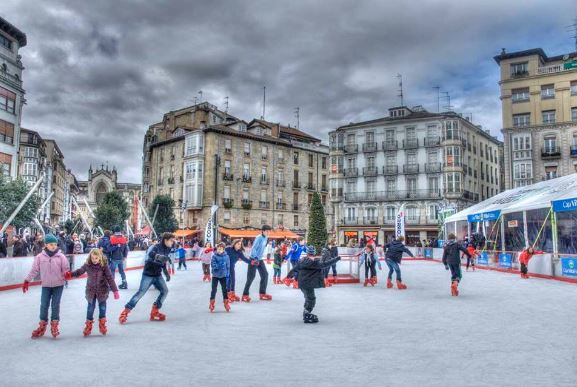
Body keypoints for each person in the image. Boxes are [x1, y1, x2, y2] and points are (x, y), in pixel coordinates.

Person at [119, 232, 173, 324]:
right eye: (171, 240)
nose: (172, 242)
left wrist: (166, 272)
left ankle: (155, 310)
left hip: (157, 275)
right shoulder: (155, 247)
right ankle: (125, 312)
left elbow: (163, 262)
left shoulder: (168, 249)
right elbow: (150, 257)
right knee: (140, 293)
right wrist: (158, 257)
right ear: (166, 240)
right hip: (148, 274)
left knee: (165, 291)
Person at [22, 234, 70, 338]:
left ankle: (54, 325)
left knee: (55, 305)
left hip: (58, 285)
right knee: (44, 305)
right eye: (51, 244)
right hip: (46, 285)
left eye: (55, 244)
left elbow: (66, 268)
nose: (53, 246)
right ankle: (42, 325)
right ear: (46, 245)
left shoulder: (61, 256)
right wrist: (27, 280)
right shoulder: (40, 257)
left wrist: (66, 274)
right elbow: (34, 270)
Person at [66, 248, 119, 336]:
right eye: (93, 258)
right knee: (90, 308)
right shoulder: (87, 265)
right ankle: (88, 326)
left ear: (100, 258)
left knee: (102, 308)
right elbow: (80, 271)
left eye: (96, 258)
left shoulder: (104, 266)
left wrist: (115, 290)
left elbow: (110, 278)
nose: (94, 260)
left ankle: (102, 324)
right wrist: (71, 274)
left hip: (102, 290)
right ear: (90, 257)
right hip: (91, 291)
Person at [285, 245, 341, 323]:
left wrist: (288, 276)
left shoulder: (302, 260)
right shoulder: (315, 263)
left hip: (302, 283)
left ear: (307, 253)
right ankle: (307, 313)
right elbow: (326, 264)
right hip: (308, 284)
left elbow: (295, 269)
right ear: (314, 253)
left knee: (308, 298)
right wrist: (337, 258)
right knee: (311, 299)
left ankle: (306, 311)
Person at [241, 225, 273, 302]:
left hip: (259, 259)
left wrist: (259, 257)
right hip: (253, 259)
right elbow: (254, 248)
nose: (268, 232)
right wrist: (255, 258)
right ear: (263, 231)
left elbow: (261, 248)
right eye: (267, 231)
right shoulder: (259, 237)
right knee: (251, 277)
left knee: (265, 274)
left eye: (269, 231)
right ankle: (245, 295)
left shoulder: (266, 238)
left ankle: (262, 294)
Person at [209, 242, 231, 313]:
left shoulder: (227, 257)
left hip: (223, 276)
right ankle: (212, 303)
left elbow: (228, 266)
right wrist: (218, 266)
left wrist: (227, 274)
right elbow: (212, 264)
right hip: (215, 275)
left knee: (224, 290)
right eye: (218, 249)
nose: (219, 250)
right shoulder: (214, 256)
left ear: (223, 249)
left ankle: (226, 302)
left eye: (221, 249)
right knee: (214, 289)